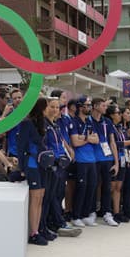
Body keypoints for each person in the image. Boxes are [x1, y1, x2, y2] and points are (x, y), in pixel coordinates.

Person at [43, 97, 81, 238]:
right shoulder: (43, 124)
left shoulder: (56, 125)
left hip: (61, 163)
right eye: (52, 107)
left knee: (59, 194)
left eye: (57, 107)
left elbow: (61, 140)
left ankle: (56, 221)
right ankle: (56, 223)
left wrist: (69, 149)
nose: (55, 110)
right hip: (51, 164)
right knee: (51, 195)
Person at [17, 98, 50, 245]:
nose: (50, 109)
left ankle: (38, 229)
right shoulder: (26, 123)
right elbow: (21, 147)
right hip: (31, 164)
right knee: (35, 198)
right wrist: (22, 168)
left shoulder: (42, 123)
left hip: (42, 164)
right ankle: (33, 233)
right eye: (48, 106)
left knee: (41, 197)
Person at [70, 96, 99, 227]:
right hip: (81, 160)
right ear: (80, 107)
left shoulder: (90, 121)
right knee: (81, 188)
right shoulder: (74, 121)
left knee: (91, 187)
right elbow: (75, 142)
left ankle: (86, 215)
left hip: (91, 159)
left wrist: (84, 138)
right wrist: (88, 138)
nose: (89, 107)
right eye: (87, 105)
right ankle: (76, 216)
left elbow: (97, 139)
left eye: (89, 105)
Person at [91, 97, 120, 226]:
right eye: (103, 105)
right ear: (95, 106)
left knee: (107, 187)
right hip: (94, 159)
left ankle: (107, 213)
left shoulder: (107, 121)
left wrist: (116, 161)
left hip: (107, 158)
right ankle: (91, 212)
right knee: (94, 186)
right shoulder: (88, 120)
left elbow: (112, 141)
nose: (105, 108)